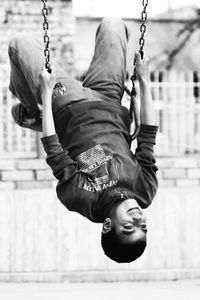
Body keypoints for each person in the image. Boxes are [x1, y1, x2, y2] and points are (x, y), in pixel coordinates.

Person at [8, 17, 158, 263]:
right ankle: (33, 117)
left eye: (129, 228)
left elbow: (54, 150)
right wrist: (143, 79)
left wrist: (46, 95)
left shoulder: (83, 198)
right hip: (109, 98)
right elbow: (148, 135)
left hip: (68, 105)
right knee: (113, 24)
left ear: (108, 225)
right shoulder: (145, 190)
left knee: (19, 43)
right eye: (143, 227)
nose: (138, 220)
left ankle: (33, 113)